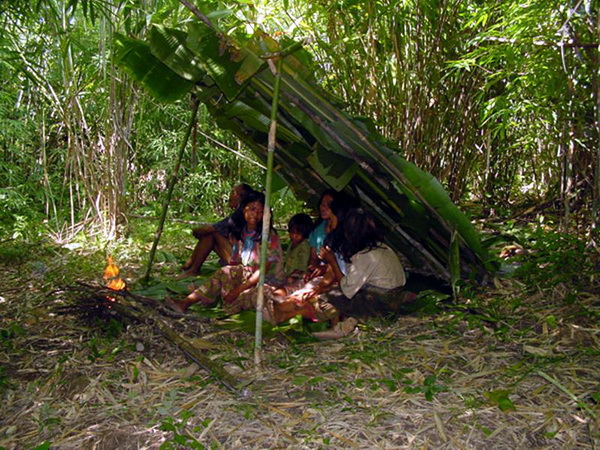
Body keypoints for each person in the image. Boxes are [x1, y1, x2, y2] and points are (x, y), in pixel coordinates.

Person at [267, 208, 413, 339]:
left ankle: (281, 314)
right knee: (320, 296)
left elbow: (347, 289)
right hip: (389, 300)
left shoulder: (367, 256)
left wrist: (332, 261)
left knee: (327, 300)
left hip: (380, 303)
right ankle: (281, 313)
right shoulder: (383, 248)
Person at [167, 191, 283, 315]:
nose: (256, 214)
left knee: (246, 293)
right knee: (225, 274)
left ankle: (195, 301)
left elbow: (263, 271)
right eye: (252, 209)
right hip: (247, 275)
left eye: (260, 212)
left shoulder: (269, 236)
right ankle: (188, 302)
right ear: (244, 209)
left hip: (266, 281)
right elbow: (236, 262)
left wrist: (238, 289)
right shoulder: (243, 231)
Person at [178, 183, 254, 279]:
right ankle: (190, 266)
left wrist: (195, 231)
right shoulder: (240, 214)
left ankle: (192, 268)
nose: (230, 196)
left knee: (212, 233)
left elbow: (211, 229)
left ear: (240, 197)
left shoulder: (241, 214)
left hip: (242, 262)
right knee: (210, 235)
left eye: (233, 192)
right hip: (237, 257)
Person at [282, 213, 313, 283]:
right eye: (292, 232)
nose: (294, 236)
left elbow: (302, 266)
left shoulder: (304, 246)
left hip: (299, 276)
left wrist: (293, 276)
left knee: (289, 281)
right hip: (287, 274)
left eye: (298, 234)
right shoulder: (292, 244)